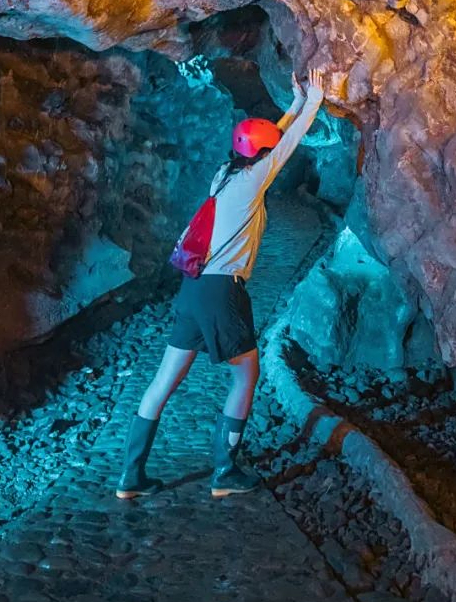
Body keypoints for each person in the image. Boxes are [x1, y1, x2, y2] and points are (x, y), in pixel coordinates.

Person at [115, 65, 330, 500]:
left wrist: (292, 104)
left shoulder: (224, 175)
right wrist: (314, 102)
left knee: (163, 381)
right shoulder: (253, 181)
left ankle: (130, 477)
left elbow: (269, 142)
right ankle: (224, 472)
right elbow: (284, 147)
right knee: (245, 375)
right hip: (221, 292)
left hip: (191, 288)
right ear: (261, 155)